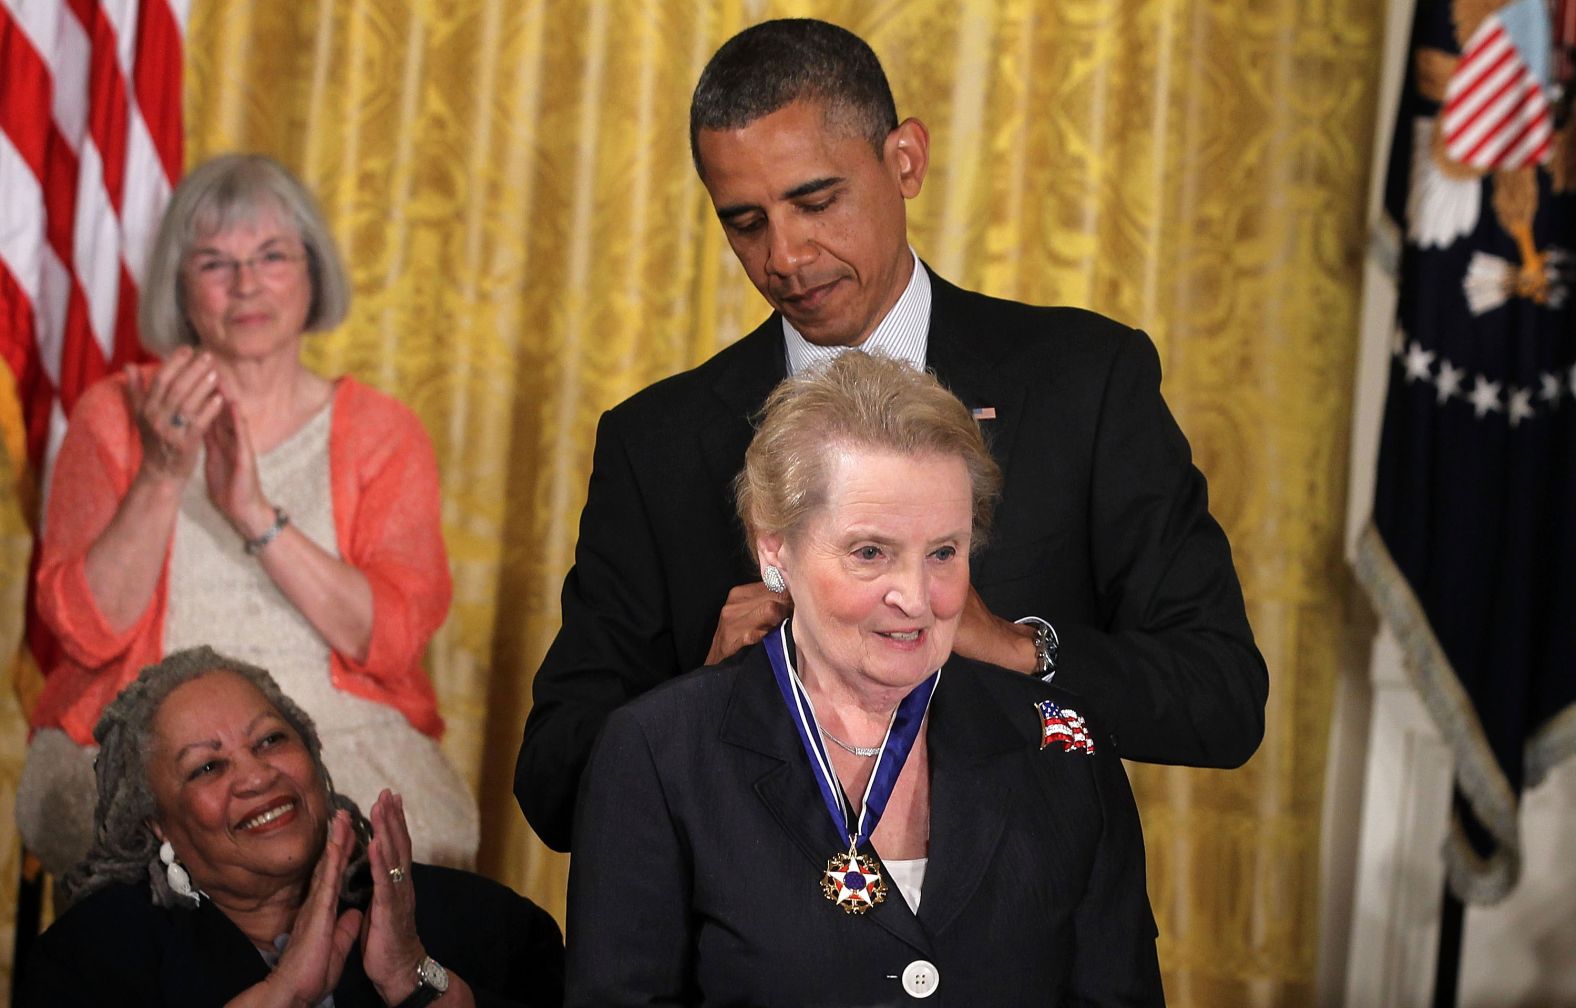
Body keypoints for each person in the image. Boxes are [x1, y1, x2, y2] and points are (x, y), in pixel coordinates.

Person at [516, 17, 1267, 853]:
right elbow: (553, 786)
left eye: (816, 201)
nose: (787, 256)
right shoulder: (656, 442)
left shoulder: (1083, 381)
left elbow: (1223, 700)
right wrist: (701, 690)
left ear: (905, 160)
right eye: (746, 222)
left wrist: (1017, 649)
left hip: (1024, 944)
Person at [565, 352, 1163, 1005]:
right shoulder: (658, 751)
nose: (915, 595)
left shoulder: (1064, 748)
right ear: (776, 550)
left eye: (943, 552)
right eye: (870, 552)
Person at [17, 153, 477, 875]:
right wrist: (163, 476)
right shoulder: (113, 415)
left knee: (393, 847)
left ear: (311, 273)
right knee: (160, 851)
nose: (246, 285)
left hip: (341, 730)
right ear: (180, 287)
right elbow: (81, 628)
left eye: (271, 256)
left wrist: (254, 513)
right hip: (144, 740)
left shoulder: (383, 432)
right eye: (214, 263)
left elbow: (387, 641)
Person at [19, 646, 564, 1007]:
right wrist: (281, 994)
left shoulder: (486, 924)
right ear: (159, 826)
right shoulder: (87, 964)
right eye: (208, 767)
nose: (256, 776)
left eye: (270, 741)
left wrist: (414, 977)